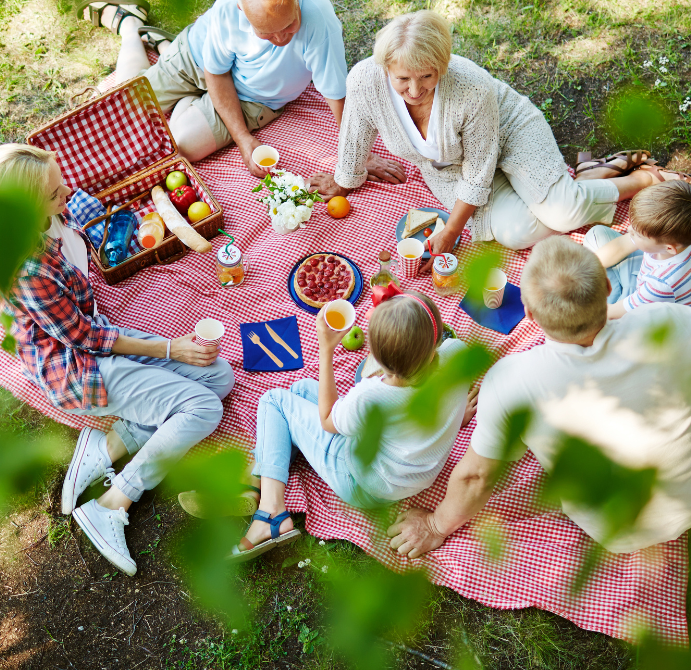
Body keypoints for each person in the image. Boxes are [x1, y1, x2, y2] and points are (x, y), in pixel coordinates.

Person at [0, 144, 234, 576]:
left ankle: (109, 445)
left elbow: (94, 226)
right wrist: (171, 348)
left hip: (92, 335)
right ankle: (113, 502)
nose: (67, 194)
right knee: (204, 407)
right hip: (74, 367)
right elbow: (86, 338)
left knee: (219, 376)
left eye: (61, 184)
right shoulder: (28, 271)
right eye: (55, 193)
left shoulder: (48, 217)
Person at [387, 236, 691, 557]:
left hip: (621, 530)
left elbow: (477, 477)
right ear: (607, 287)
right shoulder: (670, 318)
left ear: (529, 314)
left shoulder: (511, 381)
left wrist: (435, 526)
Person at [308, 10, 686, 258]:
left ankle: (641, 180)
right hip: (451, 167)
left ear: (443, 65)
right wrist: (344, 181)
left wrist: (452, 229)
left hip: (511, 131)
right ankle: (582, 180)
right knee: (517, 233)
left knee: (563, 210)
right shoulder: (364, 81)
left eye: (427, 76)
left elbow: (479, 171)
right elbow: (354, 137)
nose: (415, 89)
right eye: (403, 78)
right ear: (386, 67)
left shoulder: (471, 86)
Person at [79, 0, 402, 180]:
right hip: (196, 57)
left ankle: (175, 84)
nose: (281, 38)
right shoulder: (227, 9)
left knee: (182, 144)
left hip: (254, 96)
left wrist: (360, 156)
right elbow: (216, 74)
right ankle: (130, 27)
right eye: (268, 33)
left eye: (290, 25)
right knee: (118, 109)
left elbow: (337, 96)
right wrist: (244, 139)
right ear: (241, 12)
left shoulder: (319, 21)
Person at [229, 287, 475, 563]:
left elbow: (328, 419)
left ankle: (271, 511)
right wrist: (456, 415)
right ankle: (264, 472)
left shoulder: (371, 395)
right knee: (300, 390)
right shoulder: (458, 354)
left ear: (377, 361)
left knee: (274, 401)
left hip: (362, 480)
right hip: (413, 473)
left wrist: (326, 348)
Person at [584, 181, 691, 319]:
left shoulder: (662, 283)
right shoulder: (675, 239)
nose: (628, 230)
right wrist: (585, 267)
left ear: (669, 248)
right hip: (645, 280)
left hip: (653, 310)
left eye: (637, 234)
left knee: (601, 313)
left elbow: (614, 312)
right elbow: (621, 246)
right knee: (597, 234)